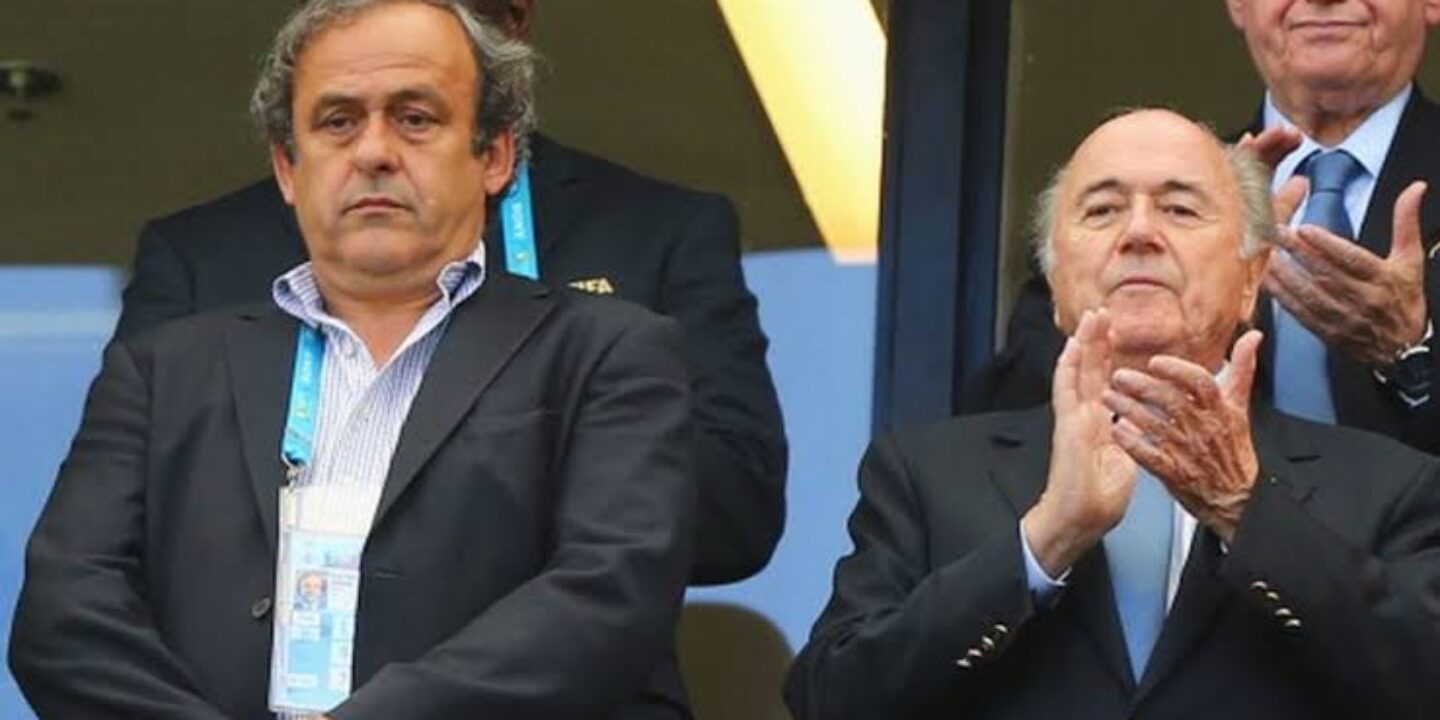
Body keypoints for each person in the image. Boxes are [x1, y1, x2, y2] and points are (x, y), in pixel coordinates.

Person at [9, 2, 696, 717]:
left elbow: (609, 594)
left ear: (495, 157)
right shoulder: (163, 372)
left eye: (415, 118)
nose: (373, 152)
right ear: (287, 167)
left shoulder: (608, 353)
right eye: (338, 122)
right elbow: (64, 618)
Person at [787, 109, 1440, 719]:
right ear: (1054, 284)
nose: (1139, 233)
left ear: (1252, 278)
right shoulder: (927, 475)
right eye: (1102, 210)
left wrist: (1245, 508)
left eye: (1180, 209)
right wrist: (1044, 542)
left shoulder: (1389, 485)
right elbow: (830, 699)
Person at [113, 0, 786, 586]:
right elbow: (119, 538)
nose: (376, 150)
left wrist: (492, 438)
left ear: (514, 19)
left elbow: (734, 520)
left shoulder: (657, 230)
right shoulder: (202, 254)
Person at [969, 0, 1440, 455]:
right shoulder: (1138, 196)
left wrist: (1412, 352)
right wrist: (1207, 298)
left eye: (1180, 207)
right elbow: (1008, 421)